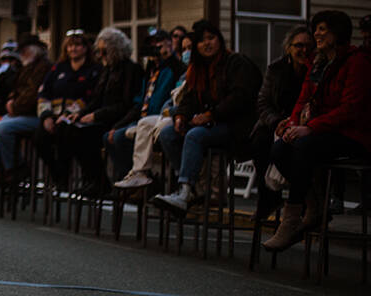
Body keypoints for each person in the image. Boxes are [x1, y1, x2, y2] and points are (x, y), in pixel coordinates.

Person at [264, 11, 371, 251]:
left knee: (303, 145)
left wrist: (309, 128)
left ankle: (291, 220)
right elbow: (302, 101)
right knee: (280, 147)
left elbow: (350, 109)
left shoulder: (357, 62)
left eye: (322, 29)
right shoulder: (318, 63)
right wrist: (292, 125)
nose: (317, 34)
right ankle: (314, 205)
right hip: (322, 131)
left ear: (338, 32)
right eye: (316, 29)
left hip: (352, 134)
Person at [152, 19, 260, 213]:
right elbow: (189, 99)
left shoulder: (235, 62)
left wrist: (211, 115)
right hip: (210, 124)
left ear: (219, 40)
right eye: (201, 41)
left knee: (195, 135)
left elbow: (240, 97)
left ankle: (184, 192)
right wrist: (181, 117)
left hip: (234, 126)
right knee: (168, 134)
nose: (207, 44)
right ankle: (193, 188)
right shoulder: (198, 69)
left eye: (211, 38)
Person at [65, 28, 142, 191]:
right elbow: (96, 99)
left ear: (115, 50)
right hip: (103, 117)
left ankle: (100, 182)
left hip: (117, 119)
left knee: (84, 136)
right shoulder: (107, 70)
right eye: (99, 51)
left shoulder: (131, 70)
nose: (101, 55)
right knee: (71, 131)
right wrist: (80, 114)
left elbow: (126, 104)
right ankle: (94, 178)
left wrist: (96, 115)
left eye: (104, 51)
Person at [250, 26, 313, 220]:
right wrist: (276, 121)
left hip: (305, 124)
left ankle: (301, 197)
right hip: (277, 121)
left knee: (297, 150)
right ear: (288, 48)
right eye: (299, 45)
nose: (304, 50)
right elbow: (263, 101)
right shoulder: (275, 69)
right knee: (259, 141)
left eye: (308, 46)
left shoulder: (317, 71)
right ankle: (269, 197)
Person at [111, 29, 185, 188]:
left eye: (159, 43)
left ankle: (148, 183)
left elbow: (174, 95)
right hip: (142, 118)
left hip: (160, 118)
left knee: (120, 138)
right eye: (151, 44)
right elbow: (139, 102)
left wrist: (169, 56)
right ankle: (137, 181)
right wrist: (120, 123)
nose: (155, 48)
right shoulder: (150, 69)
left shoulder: (174, 67)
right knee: (114, 136)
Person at [32, 29, 101, 189]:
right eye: (70, 46)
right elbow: (44, 93)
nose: (73, 49)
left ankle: (67, 178)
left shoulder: (94, 69)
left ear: (85, 48)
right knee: (39, 139)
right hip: (52, 116)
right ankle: (56, 174)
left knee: (66, 137)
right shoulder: (58, 69)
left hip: (75, 117)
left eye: (77, 45)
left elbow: (92, 96)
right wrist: (46, 116)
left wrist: (68, 114)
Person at [0, 35, 52, 179]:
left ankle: (14, 168)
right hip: (18, 111)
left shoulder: (43, 67)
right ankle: (8, 163)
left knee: (2, 127)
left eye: (24, 51)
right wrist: (11, 100)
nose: (21, 55)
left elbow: (32, 95)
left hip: (33, 114)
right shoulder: (25, 67)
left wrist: (15, 106)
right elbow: (15, 89)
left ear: (34, 50)